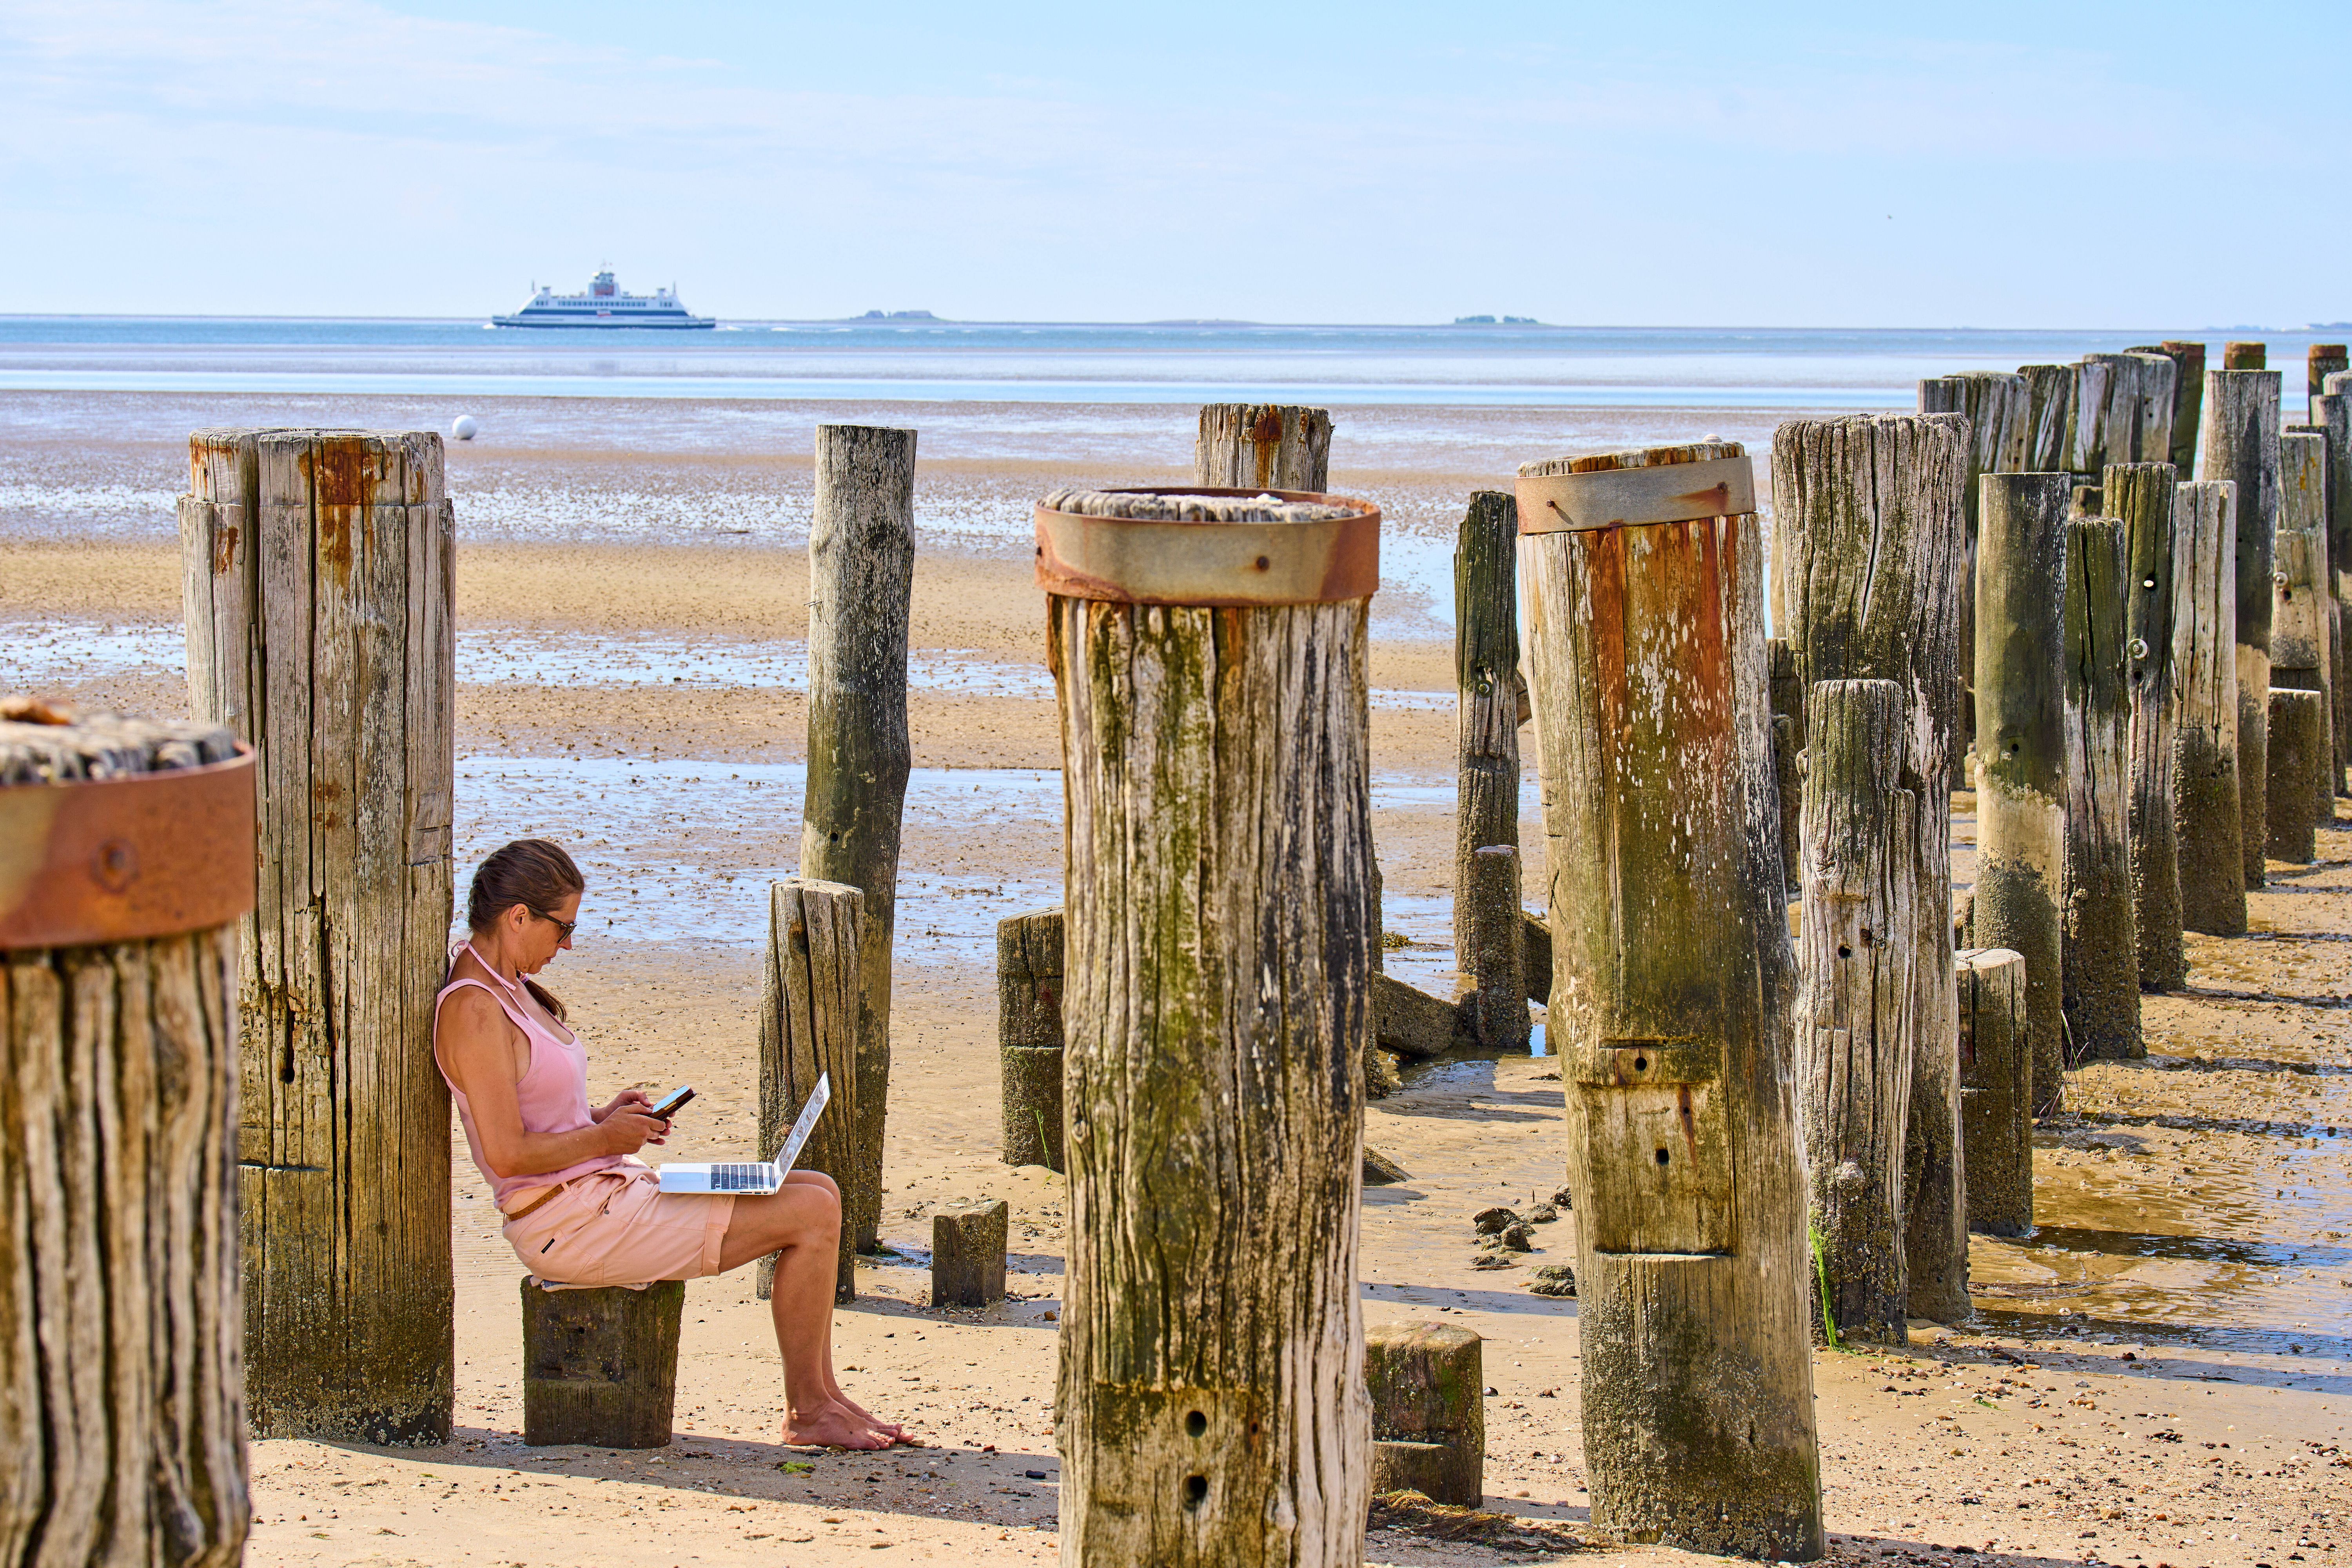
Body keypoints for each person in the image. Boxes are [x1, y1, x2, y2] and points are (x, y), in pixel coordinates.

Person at [434, 838, 904, 1450]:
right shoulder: (474, 1009)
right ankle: (808, 1409)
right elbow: (507, 1155)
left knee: (819, 1189)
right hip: (567, 1226)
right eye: (564, 928)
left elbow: (538, 1112)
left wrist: (606, 1117)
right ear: (518, 916)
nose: (568, 944)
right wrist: (604, 1136)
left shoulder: (509, 981)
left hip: (602, 1194)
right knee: (809, 1213)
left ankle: (826, 1394)